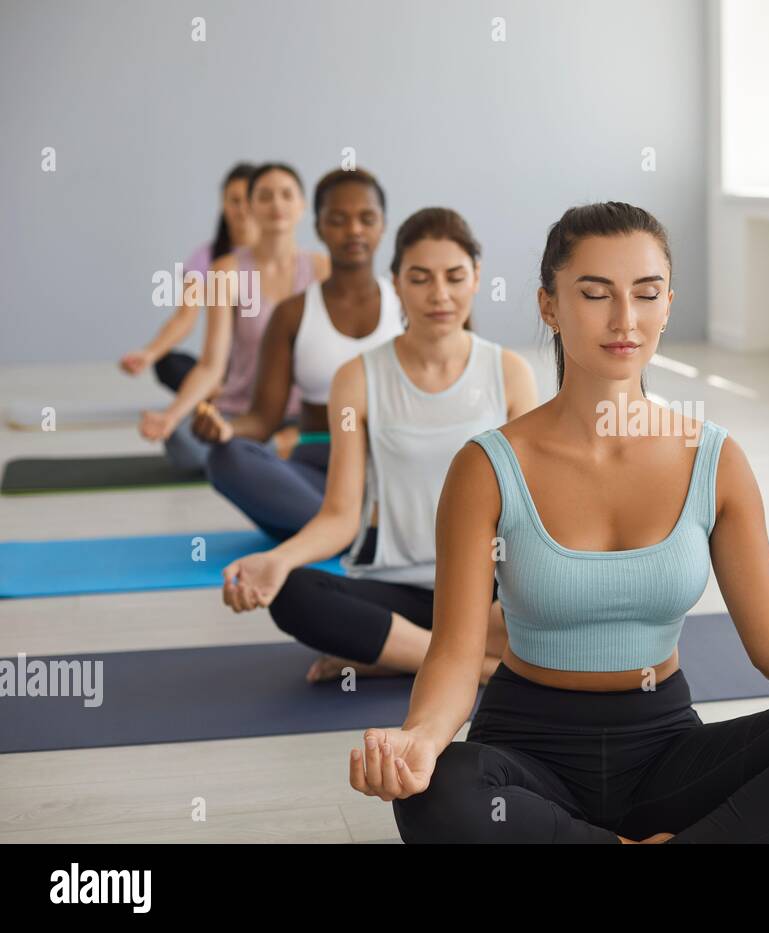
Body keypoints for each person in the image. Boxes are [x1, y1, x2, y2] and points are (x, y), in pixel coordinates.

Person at [346, 202, 769, 844]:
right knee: (434, 793)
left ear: (668, 304)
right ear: (549, 304)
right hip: (528, 751)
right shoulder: (487, 466)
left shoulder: (715, 460)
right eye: (595, 292)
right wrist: (420, 739)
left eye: (646, 292)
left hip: (664, 749)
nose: (624, 318)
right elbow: (458, 656)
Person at [218, 207, 538, 684]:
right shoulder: (357, 378)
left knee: (563, 612)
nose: (440, 295)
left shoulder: (509, 372)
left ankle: (393, 653)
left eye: (455, 277)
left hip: (487, 591)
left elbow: (532, 508)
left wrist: (524, 595)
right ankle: (477, 668)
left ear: (476, 278)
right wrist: (277, 561)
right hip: (399, 585)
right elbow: (341, 515)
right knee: (296, 595)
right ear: (396, 284)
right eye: (421, 278)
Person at [192, 169, 404, 539]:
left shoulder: (405, 304)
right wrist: (224, 428)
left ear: (382, 225)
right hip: (317, 470)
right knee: (226, 459)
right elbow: (262, 419)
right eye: (338, 220)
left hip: (390, 469)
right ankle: (358, 533)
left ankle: (330, 530)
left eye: (366, 219)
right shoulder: (292, 313)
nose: (353, 230)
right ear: (319, 227)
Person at [138, 163, 328, 470]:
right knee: (181, 442)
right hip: (243, 414)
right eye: (265, 196)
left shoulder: (322, 269)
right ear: (250, 207)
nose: (277, 204)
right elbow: (212, 364)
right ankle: (271, 450)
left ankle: (259, 452)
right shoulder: (225, 271)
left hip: (304, 415)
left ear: (302, 205)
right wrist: (171, 416)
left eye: (286, 195)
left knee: (344, 434)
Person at [119, 163, 259, 391]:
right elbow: (185, 317)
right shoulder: (206, 257)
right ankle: (217, 392)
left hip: (267, 366)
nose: (242, 208)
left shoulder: (279, 258)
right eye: (234, 200)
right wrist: (149, 353)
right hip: (221, 366)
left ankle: (223, 394)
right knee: (168, 363)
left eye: (249, 199)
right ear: (223, 204)